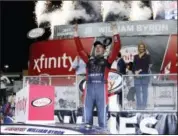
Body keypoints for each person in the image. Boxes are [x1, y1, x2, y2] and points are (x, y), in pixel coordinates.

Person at [73, 23, 121, 128]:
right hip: (89, 91)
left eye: (100, 47)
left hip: (101, 91)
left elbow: (117, 47)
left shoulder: (107, 60)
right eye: (96, 47)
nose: (98, 48)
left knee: (102, 122)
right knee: (86, 122)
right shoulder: (88, 60)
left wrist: (115, 33)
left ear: (104, 50)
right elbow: (80, 50)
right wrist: (76, 34)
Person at [133, 42, 152, 110]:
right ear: (138, 48)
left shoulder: (147, 56)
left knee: (144, 92)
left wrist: (139, 71)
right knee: (137, 92)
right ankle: (139, 106)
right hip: (136, 76)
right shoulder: (135, 56)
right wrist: (135, 71)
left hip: (144, 75)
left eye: (142, 47)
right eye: (140, 47)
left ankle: (144, 106)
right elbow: (134, 66)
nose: (141, 48)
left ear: (144, 48)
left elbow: (148, 66)